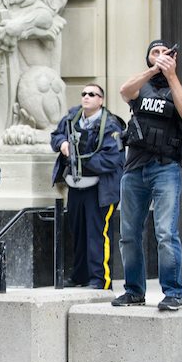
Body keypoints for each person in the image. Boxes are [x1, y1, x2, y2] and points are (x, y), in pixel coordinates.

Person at [113, 39, 182, 311]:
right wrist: (152, 71)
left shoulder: (181, 89)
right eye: (154, 53)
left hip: (165, 168)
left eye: (165, 53)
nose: (160, 56)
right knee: (128, 234)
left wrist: (170, 74)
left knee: (165, 232)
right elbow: (124, 90)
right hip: (135, 168)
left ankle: (173, 293)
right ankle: (134, 291)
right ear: (148, 58)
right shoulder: (142, 86)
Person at [50, 83, 125, 290]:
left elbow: (112, 159)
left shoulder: (110, 125)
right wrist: (63, 144)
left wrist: (80, 158)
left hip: (99, 189)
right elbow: (55, 136)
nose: (86, 97)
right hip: (76, 186)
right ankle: (80, 275)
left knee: (97, 234)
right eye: (83, 93)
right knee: (78, 231)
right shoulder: (72, 117)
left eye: (92, 94)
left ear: (101, 100)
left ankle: (100, 279)